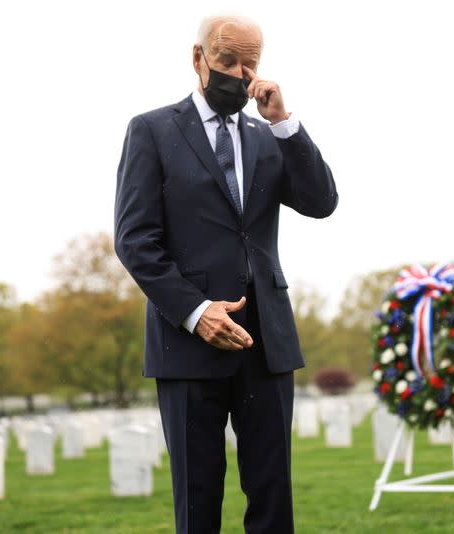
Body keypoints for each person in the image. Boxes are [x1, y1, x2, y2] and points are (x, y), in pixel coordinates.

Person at [114, 14, 338, 534]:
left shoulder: (268, 138)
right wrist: (195, 312)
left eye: (250, 64)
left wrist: (285, 124)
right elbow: (134, 239)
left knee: (272, 497)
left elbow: (321, 201)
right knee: (197, 502)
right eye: (227, 61)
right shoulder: (151, 131)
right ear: (199, 59)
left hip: (267, 341)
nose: (239, 73)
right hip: (188, 346)